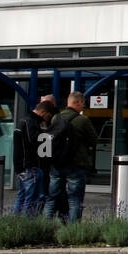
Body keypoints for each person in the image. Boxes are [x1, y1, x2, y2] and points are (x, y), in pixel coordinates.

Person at [43, 91, 98, 224]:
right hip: (76, 164)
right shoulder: (82, 120)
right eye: (82, 104)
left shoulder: (56, 118)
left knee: (52, 198)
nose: (83, 107)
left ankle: (44, 227)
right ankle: (73, 231)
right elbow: (94, 140)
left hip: (57, 164)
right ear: (77, 102)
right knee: (75, 200)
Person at [12, 96, 56, 214]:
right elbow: (34, 140)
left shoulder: (23, 121)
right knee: (32, 198)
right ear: (43, 112)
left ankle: (15, 221)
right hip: (30, 166)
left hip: (22, 166)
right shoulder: (31, 122)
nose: (47, 120)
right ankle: (28, 224)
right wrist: (48, 135)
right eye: (48, 116)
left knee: (22, 196)